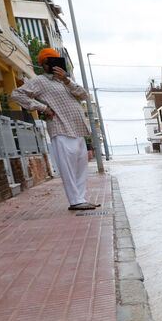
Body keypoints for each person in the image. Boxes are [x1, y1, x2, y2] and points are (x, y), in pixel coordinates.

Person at [11, 48, 98, 211]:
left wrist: (66, 79)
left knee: (81, 167)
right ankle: (75, 201)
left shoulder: (65, 81)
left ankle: (81, 198)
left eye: (55, 60)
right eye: (48, 61)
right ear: (43, 65)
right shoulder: (39, 81)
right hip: (60, 127)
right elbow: (17, 94)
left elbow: (84, 95)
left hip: (78, 129)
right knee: (68, 168)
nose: (52, 64)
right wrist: (42, 108)